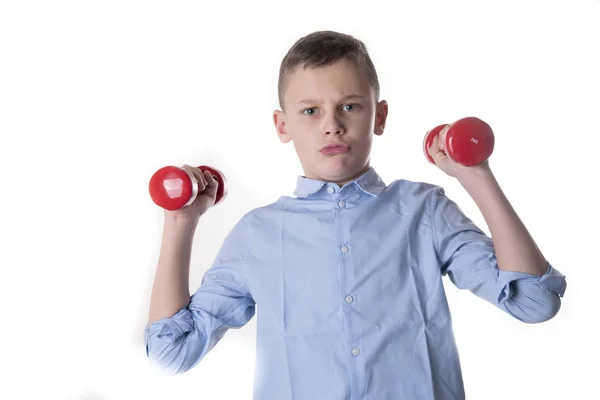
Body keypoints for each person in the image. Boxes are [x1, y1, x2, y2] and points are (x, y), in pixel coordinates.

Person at [144, 30, 567, 400]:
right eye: (310, 111)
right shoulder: (258, 234)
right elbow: (171, 351)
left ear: (379, 116)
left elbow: (534, 301)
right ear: (282, 125)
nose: (332, 125)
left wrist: (475, 173)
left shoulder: (424, 211)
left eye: (350, 106)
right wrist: (180, 222)